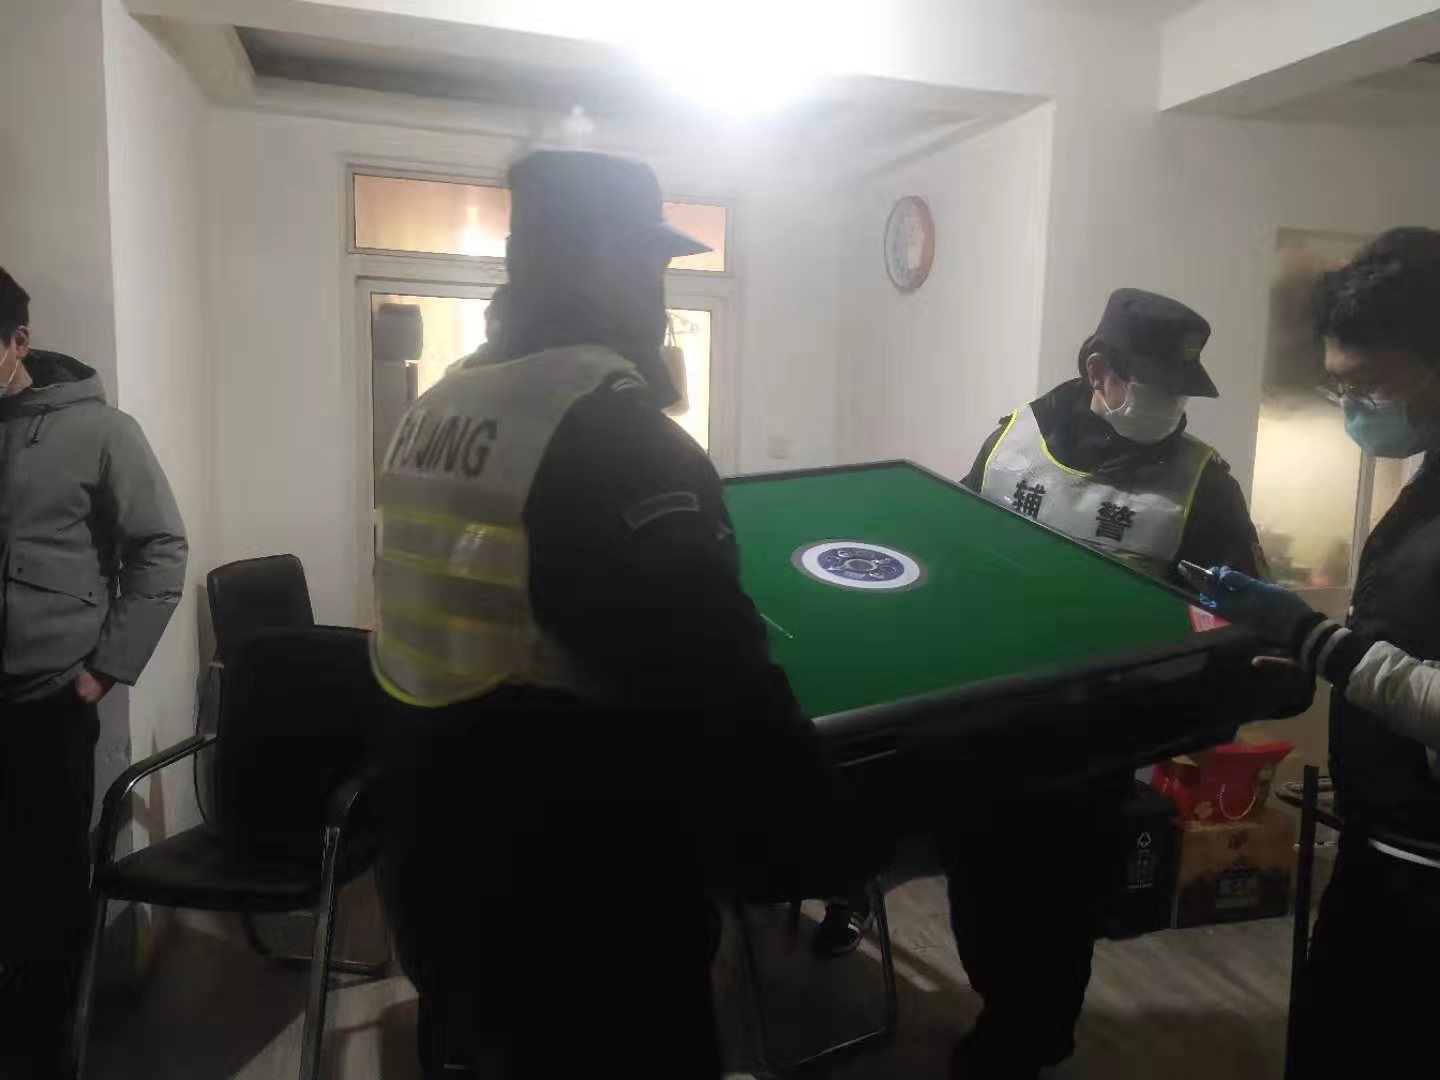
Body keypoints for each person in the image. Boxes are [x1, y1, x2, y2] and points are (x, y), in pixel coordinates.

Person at [372, 151, 869, 1079]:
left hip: (435, 859)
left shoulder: (437, 408)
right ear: (607, 258)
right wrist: (830, 841)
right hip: (581, 899)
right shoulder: (615, 437)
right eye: (654, 265)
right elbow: (716, 684)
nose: (659, 295)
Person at [947, 289, 1268, 1079]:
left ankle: (1027, 1044)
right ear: (1100, 370)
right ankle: (1004, 1018)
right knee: (979, 891)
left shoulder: (1203, 483)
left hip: (1094, 744)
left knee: (1058, 909)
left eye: (1180, 392)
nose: (1171, 409)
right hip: (986, 722)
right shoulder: (1014, 440)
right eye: (1155, 387)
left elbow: (1241, 615)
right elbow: (951, 547)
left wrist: (1203, 721)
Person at [1198, 227, 1440, 1078]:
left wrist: (1317, 638)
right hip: (1382, 849)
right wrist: (1319, 659)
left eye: (1365, 382)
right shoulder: (1429, 474)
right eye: (1338, 385)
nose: (1351, 406)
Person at [0, 266, 187, 1078]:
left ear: (19, 341)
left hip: (45, 704)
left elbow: (161, 548)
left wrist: (103, 671)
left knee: (44, 895)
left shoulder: (101, 430)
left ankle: (47, 1054)